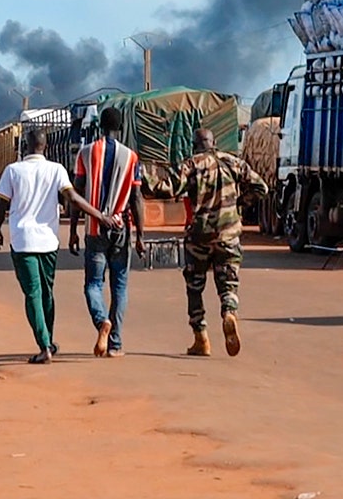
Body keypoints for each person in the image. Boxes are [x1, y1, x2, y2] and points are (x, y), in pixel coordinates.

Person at [0, 130, 119, 365]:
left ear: (24, 147)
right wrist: (100, 216)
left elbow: (2, 205)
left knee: (33, 294)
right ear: (46, 146)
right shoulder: (56, 169)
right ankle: (48, 341)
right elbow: (74, 199)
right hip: (48, 242)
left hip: (23, 242)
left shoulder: (13, 170)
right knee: (47, 293)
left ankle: (44, 346)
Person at [163, 129, 268, 358]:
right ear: (215, 142)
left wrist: (142, 181)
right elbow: (261, 188)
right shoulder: (234, 162)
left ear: (194, 145)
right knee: (228, 282)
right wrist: (238, 203)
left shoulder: (191, 165)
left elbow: (166, 187)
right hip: (229, 234)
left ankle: (201, 338)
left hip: (199, 236)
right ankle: (229, 312)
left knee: (195, 286)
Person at [72, 107, 145, 358]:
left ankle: (102, 320)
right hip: (121, 229)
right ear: (121, 127)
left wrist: (72, 231)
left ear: (99, 126)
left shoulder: (85, 153)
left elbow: (77, 195)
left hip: (94, 228)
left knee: (93, 284)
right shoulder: (131, 157)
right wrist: (141, 236)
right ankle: (115, 344)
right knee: (120, 288)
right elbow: (136, 197)